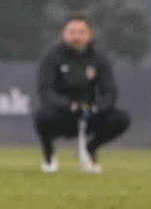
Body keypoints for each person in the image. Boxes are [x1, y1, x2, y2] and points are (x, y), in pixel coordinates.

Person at [34, 14, 130, 173]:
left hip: (89, 114)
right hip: (63, 114)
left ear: (89, 34)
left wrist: (96, 107)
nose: (76, 36)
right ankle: (49, 155)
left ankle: (88, 150)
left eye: (81, 32)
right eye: (72, 32)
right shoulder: (51, 58)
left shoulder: (99, 59)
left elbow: (110, 92)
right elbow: (45, 92)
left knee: (121, 119)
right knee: (41, 117)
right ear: (64, 33)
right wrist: (68, 105)